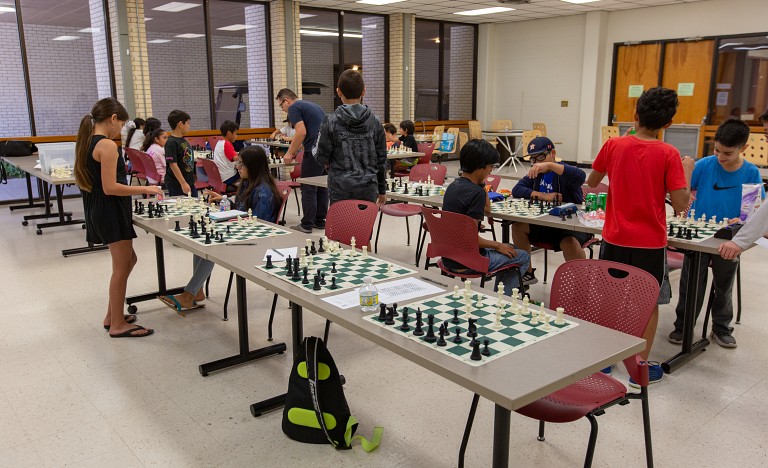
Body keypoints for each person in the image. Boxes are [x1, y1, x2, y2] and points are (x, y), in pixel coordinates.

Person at [587, 87, 695, 386]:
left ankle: (606, 362)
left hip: (614, 238)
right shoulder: (670, 154)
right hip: (649, 242)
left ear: (635, 115)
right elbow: (682, 203)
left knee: (611, 298)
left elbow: (593, 182)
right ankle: (640, 369)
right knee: (647, 303)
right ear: (668, 124)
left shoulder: (613, 145)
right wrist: (686, 171)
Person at [669, 120, 764, 349]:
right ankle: (683, 324)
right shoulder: (706, 165)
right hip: (699, 235)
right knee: (691, 282)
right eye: (717, 150)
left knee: (724, 284)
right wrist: (687, 170)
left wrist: (740, 220)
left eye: (727, 153)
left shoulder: (750, 172)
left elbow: (754, 211)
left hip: (728, 239)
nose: (720, 157)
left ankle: (721, 327)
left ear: (744, 148)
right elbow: (683, 191)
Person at [74, 98, 162, 337]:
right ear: (113, 119)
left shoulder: (86, 142)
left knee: (129, 260)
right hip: (110, 211)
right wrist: (146, 189)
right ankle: (117, 325)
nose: (121, 129)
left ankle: (112, 315)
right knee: (122, 267)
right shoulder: (107, 146)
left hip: (102, 210)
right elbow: (110, 187)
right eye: (121, 124)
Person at [159, 146, 282, 311]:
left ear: (253, 166)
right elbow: (244, 209)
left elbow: (257, 224)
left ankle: (189, 294)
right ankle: (197, 291)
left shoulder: (263, 192)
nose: (237, 167)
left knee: (213, 246)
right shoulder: (247, 183)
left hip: (256, 242)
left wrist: (228, 220)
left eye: (241, 164)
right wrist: (225, 200)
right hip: (242, 232)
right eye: (238, 163)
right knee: (202, 242)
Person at [442, 139, 531, 296]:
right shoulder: (476, 193)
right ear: (480, 165)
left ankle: (501, 293)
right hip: (468, 260)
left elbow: (486, 210)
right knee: (522, 256)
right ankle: (503, 299)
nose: (491, 171)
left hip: (448, 255)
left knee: (511, 248)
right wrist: (497, 245)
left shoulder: (452, 186)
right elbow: (469, 238)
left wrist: (480, 183)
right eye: (491, 166)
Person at [511, 136, 592, 285]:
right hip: (546, 223)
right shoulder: (537, 173)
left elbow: (581, 176)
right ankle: (527, 272)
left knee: (569, 242)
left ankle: (582, 285)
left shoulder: (564, 172)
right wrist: (543, 195)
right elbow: (517, 189)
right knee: (517, 226)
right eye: (533, 159)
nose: (537, 163)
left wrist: (551, 166)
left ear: (552, 153)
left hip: (571, 224)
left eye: (541, 157)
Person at [314, 69, 387, 206]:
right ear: (363, 91)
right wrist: (382, 189)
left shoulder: (330, 121)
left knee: (342, 227)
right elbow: (381, 160)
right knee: (364, 227)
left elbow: (320, 157)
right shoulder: (375, 122)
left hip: (340, 188)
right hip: (369, 188)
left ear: (338, 91)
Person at [278, 88, 328, 234]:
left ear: (286, 100)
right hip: (324, 151)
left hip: (313, 152)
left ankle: (306, 224)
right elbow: (310, 132)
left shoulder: (294, 108)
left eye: (281, 105)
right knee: (321, 186)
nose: (282, 109)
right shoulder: (312, 105)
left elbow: (301, 132)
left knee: (308, 187)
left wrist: (289, 153)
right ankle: (319, 220)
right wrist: (298, 148)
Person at [164, 109, 196, 196]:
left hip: (188, 180)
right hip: (177, 183)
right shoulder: (171, 142)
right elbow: (173, 164)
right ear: (180, 124)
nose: (189, 126)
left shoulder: (183, 140)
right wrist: (183, 183)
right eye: (188, 123)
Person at [213, 120, 240, 187]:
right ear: (229, 133)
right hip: (228, 177)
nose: (236, 136)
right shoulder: (227, 144)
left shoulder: (219, 142)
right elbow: (236, 158)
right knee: (247, 172)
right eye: (235, 133)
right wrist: (247, 155)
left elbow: (229, 154)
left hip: (219, 176)